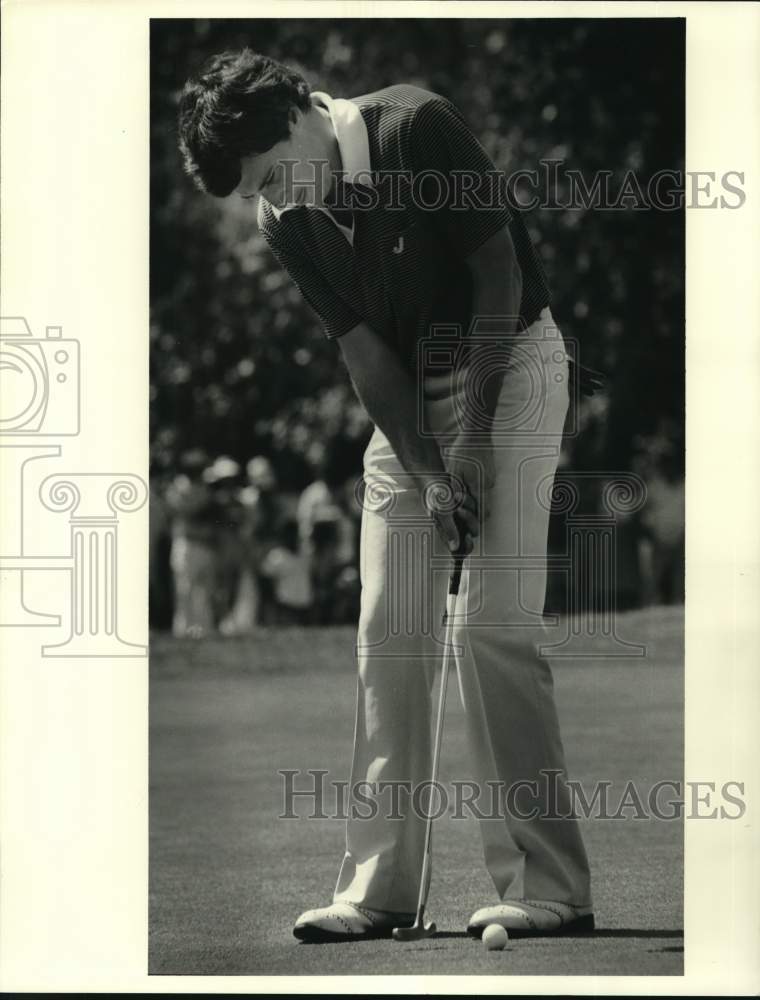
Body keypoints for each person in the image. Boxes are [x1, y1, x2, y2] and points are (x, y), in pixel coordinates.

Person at [177, 48, 601, 940]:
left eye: (275, 170)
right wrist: (430, 469)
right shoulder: (286, 216)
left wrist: (477, 435)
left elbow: (498, 275)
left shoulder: (416, 128)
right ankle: (381, 890)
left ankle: (549, 884)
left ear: (299, 112)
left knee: (487, 624)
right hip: (409, 396)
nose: (279, 194)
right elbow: (363, 351)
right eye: (261, 189)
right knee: (388, 629)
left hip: (512, 364)